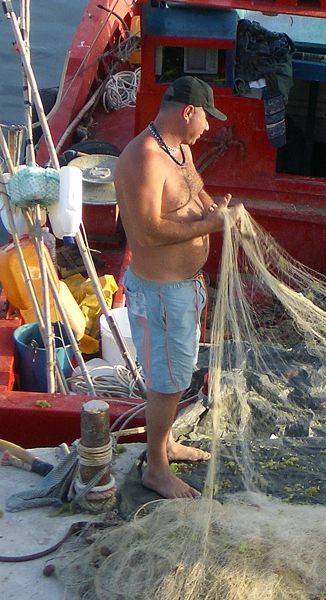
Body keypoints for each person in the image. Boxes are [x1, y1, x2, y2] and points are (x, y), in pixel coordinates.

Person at [114, 76, 231, 499]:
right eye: (205, 117)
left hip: (185, 289)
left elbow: (193, 194)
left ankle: (166, 444)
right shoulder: (146, 157)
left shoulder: (178, 149)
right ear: (187, 111)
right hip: (161, 295)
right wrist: (211, 225)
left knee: (178, 375)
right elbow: (146, 234)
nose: (207, 127)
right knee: (165, 383)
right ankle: (156, 469)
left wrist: (219, 211)